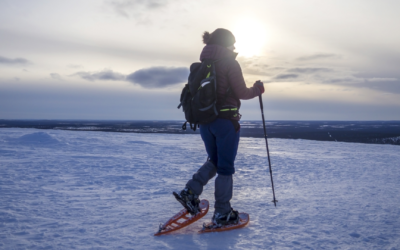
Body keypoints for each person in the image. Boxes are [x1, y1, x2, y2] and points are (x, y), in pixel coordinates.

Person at [174, 28, 264, 226]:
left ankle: (190, 192)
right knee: (225, 167)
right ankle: (223, 212)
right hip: (225, 122)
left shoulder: (202, 65)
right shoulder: (229, 62)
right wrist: (258, 89)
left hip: (205, 122)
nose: (234, 47)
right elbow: (241, 92)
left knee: (214, 160)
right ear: (226, 44)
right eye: (232, 43)